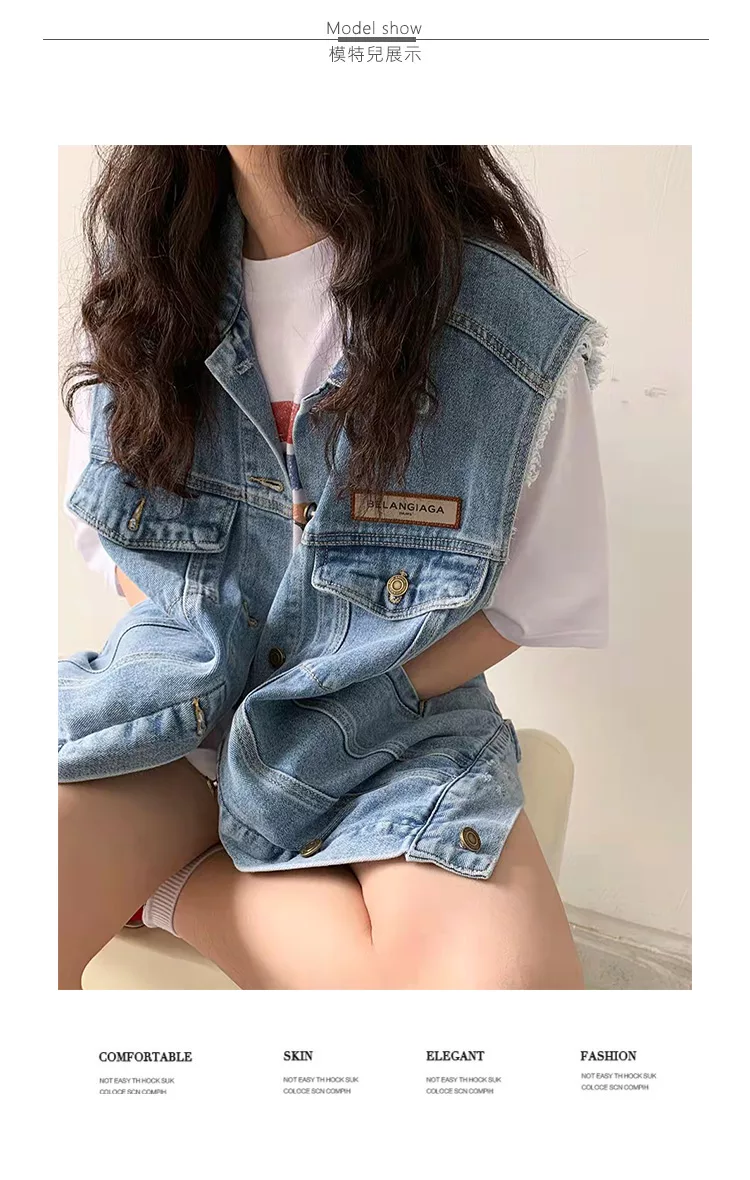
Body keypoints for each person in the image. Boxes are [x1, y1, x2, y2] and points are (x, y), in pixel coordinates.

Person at [59, 145, 608, 990]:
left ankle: (175, 888)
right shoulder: (142, 279)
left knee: (508, 999)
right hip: (178, 703)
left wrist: (333, 702)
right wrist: (215, 660)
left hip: (385, 721)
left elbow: (535, 595)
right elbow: (114, 532)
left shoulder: (499, 324)